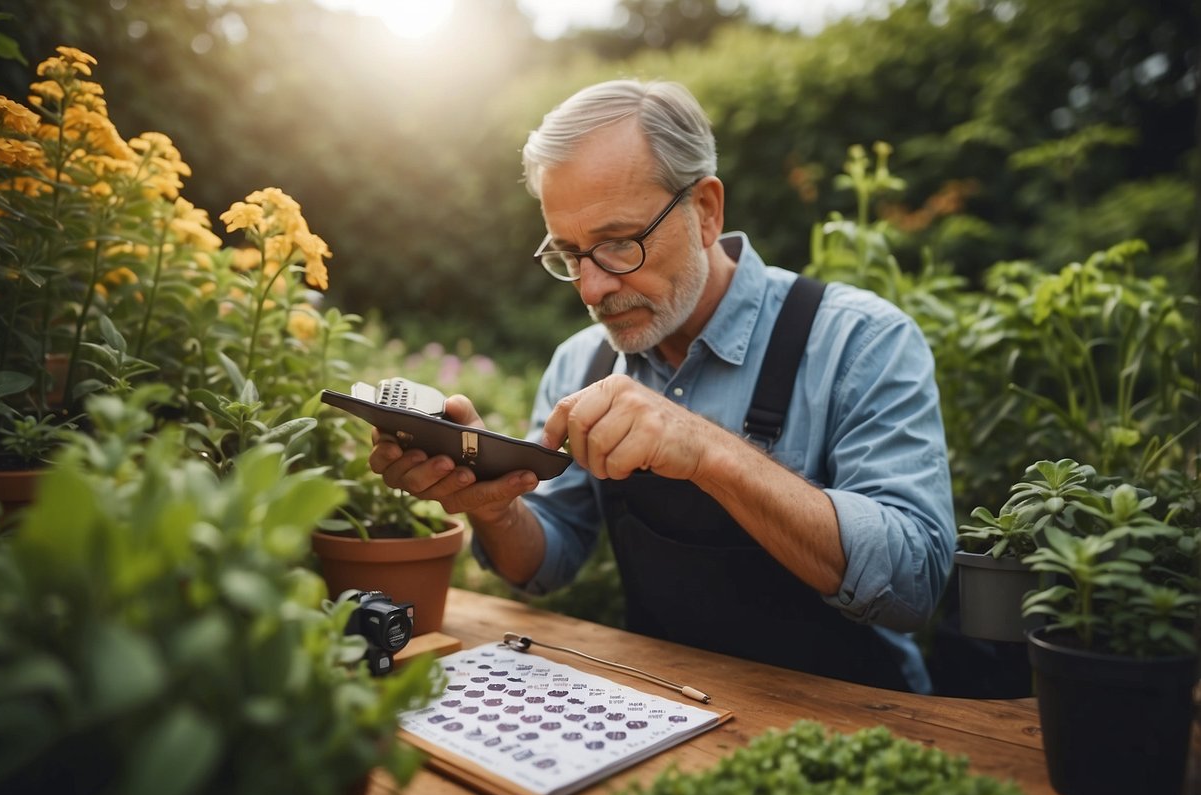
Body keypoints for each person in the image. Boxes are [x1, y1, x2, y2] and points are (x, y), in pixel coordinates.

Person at [369, 79, 956, 693]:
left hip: (861, 722)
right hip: (666, 712)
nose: (591, 290)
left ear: (705, 210)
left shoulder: (861, 341)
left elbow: (914, 583)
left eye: (620, 243)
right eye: (570, 255)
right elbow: (545, 563)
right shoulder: (581, 363)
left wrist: (707, 451)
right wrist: (495, 503)